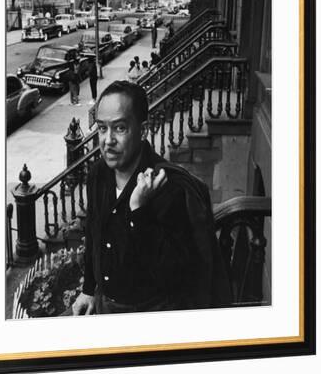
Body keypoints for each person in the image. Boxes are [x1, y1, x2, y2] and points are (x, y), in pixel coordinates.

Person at [72, 81, 231, 315]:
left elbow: (178, 275)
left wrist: (139, 211)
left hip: (150, 313)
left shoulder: (171, 188)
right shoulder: (98, 175)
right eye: (102, 128)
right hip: (105, 306)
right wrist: (88, 289)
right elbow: (94, 233)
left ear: (143, 131)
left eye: (120, 128)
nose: (108, 140)